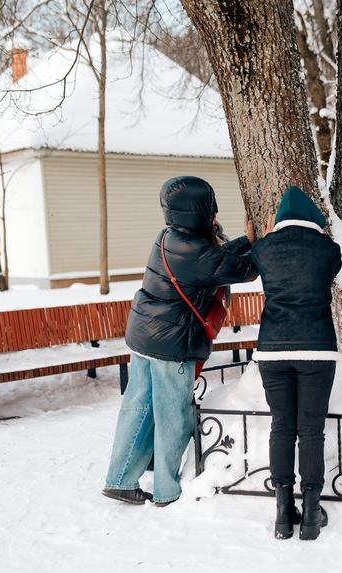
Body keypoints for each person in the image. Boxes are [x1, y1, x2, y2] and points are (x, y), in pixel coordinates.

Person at [102, 176, 257, 507]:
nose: (215, 217)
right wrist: (262, 243)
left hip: (143, 335)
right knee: (173, 417)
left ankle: (120, 479)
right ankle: (166, 491)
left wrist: (246, 240)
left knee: (139, 409)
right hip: (171, 345)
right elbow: (244, 270)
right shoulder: (199, 253)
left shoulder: (169, 237)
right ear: (200, 213)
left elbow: (216, 258)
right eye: (211, 210)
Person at [249, 186, 342, 540]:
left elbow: (249, 264)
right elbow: (332, 271)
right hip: (317, 348)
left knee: (281, 427)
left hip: (272, 349)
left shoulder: (263, 248)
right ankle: (312, 514)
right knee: (311, 430)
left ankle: (283, 512)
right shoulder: (328, 249)